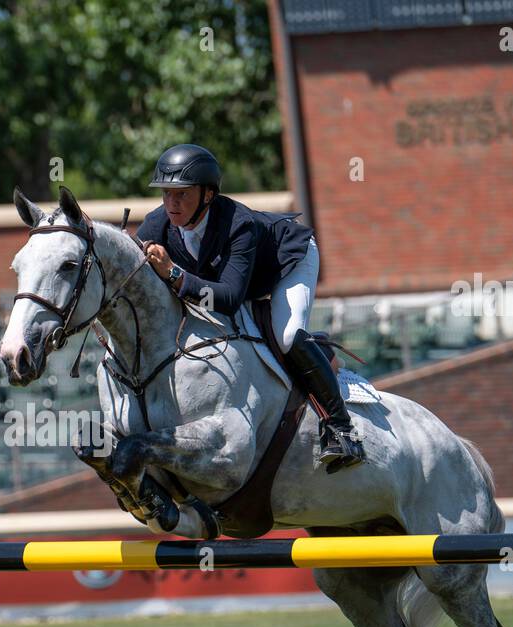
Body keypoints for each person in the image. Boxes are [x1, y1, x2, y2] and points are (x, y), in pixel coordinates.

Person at [137, 143, 365, 472]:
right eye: (166, 193)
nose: (172, 203)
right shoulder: (158, 223)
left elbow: (228, 299)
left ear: (208, 195)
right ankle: (321, 354)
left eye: (182, 194)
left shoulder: (237, 224)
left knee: (287, 335)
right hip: (241, 280)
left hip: (287, 263)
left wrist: (173, 273)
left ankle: (341, 429)